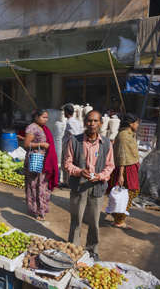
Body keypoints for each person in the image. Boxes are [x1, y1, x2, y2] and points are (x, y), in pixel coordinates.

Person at [64, 110, 115, 261]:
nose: (92, 124)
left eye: (95, 121)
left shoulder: (106, 143)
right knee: (76, 220)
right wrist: (80, 172)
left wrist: (100, 176)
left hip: (97, 187)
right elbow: (67, 163)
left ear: (101, 123)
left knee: (94, 222)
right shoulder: (74, 140)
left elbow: (110, 166)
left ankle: (92, 249)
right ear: (85, 122)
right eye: (89, 121)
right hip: (78, 186)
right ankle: (73, 249)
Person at [23, 109, 59, 221]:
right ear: (36, 117)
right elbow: (26, 144)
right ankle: (36, 210)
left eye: (47, 117)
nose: (46, 119)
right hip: (35, 160)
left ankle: (42, 207)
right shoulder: (32, 128)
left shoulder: (43, 128)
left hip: (44, 160)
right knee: (34, 185)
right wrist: (41, 144)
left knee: (42, 185)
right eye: (43, 117)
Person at [108, 113, 140, 229]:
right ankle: (119, 220)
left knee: (130, 193)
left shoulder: (129, 134)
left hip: (131, 167)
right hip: (125, 169)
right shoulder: (123, 136)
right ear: (131, 124)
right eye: (136, 123)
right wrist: (121, 175)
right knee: (126, 193)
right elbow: (122, 156)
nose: (137, 125)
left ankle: (119, 217)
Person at [61, 104, 84, 187]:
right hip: (74, 146)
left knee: (66, 163)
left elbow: (74, 134)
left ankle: (67, 182)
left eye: (64, 112)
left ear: (66, 112)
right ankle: (67, 182)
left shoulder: (70, 122)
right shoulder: (78, 122)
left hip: (69, 146)